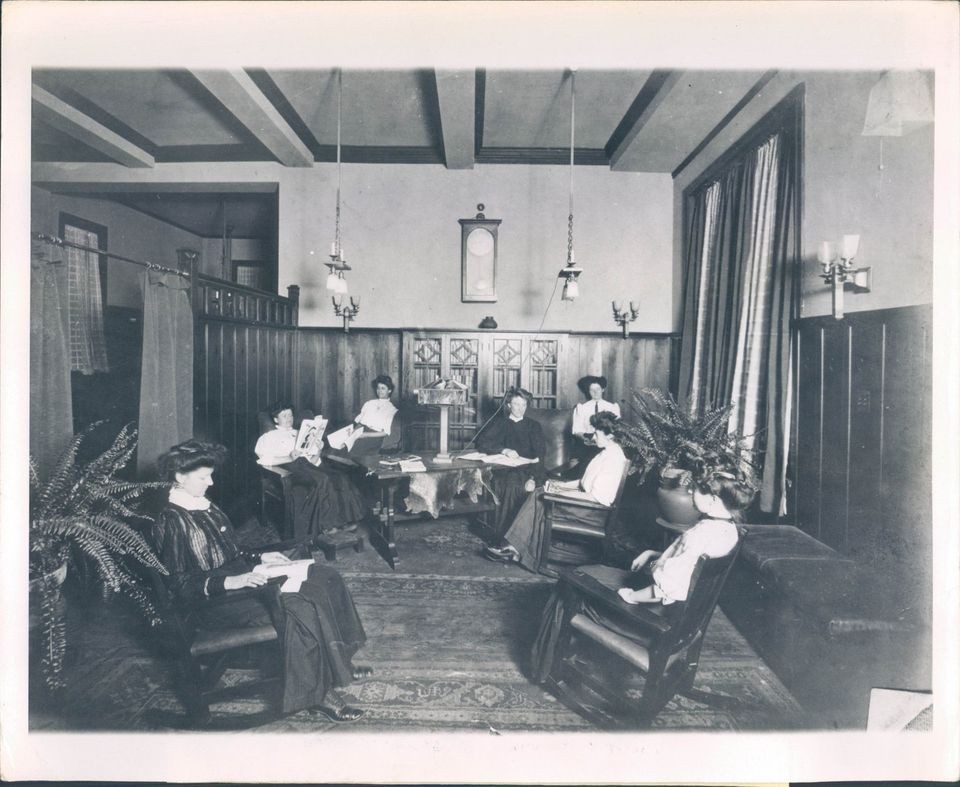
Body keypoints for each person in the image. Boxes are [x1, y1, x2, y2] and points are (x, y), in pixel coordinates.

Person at [153, 440, 372, 721]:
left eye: (210, 475)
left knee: (326, 577)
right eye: (203, 477)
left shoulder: (201, 505)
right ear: (179, 478)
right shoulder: (172, 520)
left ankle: (339, 661)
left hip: (243, 578)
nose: (210, 482)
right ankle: (317, 694)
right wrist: (231, 582)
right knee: (300, 606)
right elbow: (179, 585)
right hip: (215, 604)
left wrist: (263, 559)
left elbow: (231, 549)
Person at [530, 455, 756, 682]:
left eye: (696, 490)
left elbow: (666, 589)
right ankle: (579, 655)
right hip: (686, 620)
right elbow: (693, 565)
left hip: (657, 623)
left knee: (568, 586)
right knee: (595, 572)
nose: (690, 493)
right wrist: (655, 554)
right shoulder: (728, 530)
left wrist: (631, 597)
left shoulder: (697, 536)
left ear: (714, 499)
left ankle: (546, 671)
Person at [483, 411, 628, 576]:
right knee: (542, 490)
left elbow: (594, 497)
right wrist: (559, 486)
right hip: (586, 504)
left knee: (540, 496)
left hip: (592, 511)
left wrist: (559, 495)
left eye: (596, 433)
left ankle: (516, 548)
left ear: (610, 435)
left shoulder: (613, 459)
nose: (593, 437)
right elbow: (584, 483)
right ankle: (514, 546)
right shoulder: (606, 453)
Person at [255, 402, 365, 537]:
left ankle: (345, 520)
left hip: (308, 465)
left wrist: (318, 449)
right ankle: (327, 525)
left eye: (290, 415)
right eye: (284, 416)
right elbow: (264, 459)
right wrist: (289, 457)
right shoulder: (270, 436)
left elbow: (312, 460)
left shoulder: (300, 433)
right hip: (288, 468)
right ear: (276, 419)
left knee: (339, 477)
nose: (289, 418)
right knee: (322, 479)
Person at [475, 387, 546, 540]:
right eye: (516, 404)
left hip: (529, 470)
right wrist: (504, 450)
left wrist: (533, 478)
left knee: (516, 485)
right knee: (505, 483)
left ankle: (514, 538)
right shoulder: (500, 423)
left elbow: (540, 455)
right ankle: (501, 535)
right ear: (509, 405)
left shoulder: (534, 426)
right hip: (503, 469)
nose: (520, 408)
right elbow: (481, 443)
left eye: (523, 405)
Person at [568, 376, 621, 475]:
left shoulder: (612, 407)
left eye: (597, 389)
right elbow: (576, 430)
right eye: (592, 390)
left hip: (607, 442)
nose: (595, 392)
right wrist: (587, 439)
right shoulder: (581, 408)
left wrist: (605, 440)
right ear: (588, 391)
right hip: (586, 443)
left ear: (603, 389)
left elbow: (617, 429)